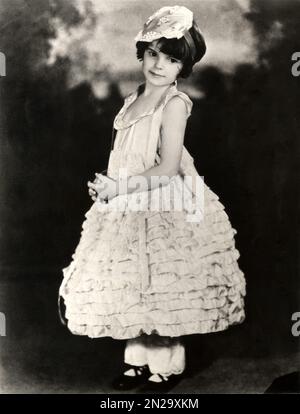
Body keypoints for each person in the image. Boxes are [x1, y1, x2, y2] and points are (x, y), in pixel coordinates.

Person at [58, 5, 246, 392]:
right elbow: (123, 156)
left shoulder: (174, 104)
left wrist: (121, 187)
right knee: (132, 279)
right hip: (128, 200)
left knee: (163, 280)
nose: (160, 65)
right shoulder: (131, 101)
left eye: (172, 59)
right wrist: (105, 184)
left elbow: (166, 167)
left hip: (164, 199)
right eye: (153, 54)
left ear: (183, 67)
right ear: (141, 54)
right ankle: (138, 362)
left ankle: (166, 366)